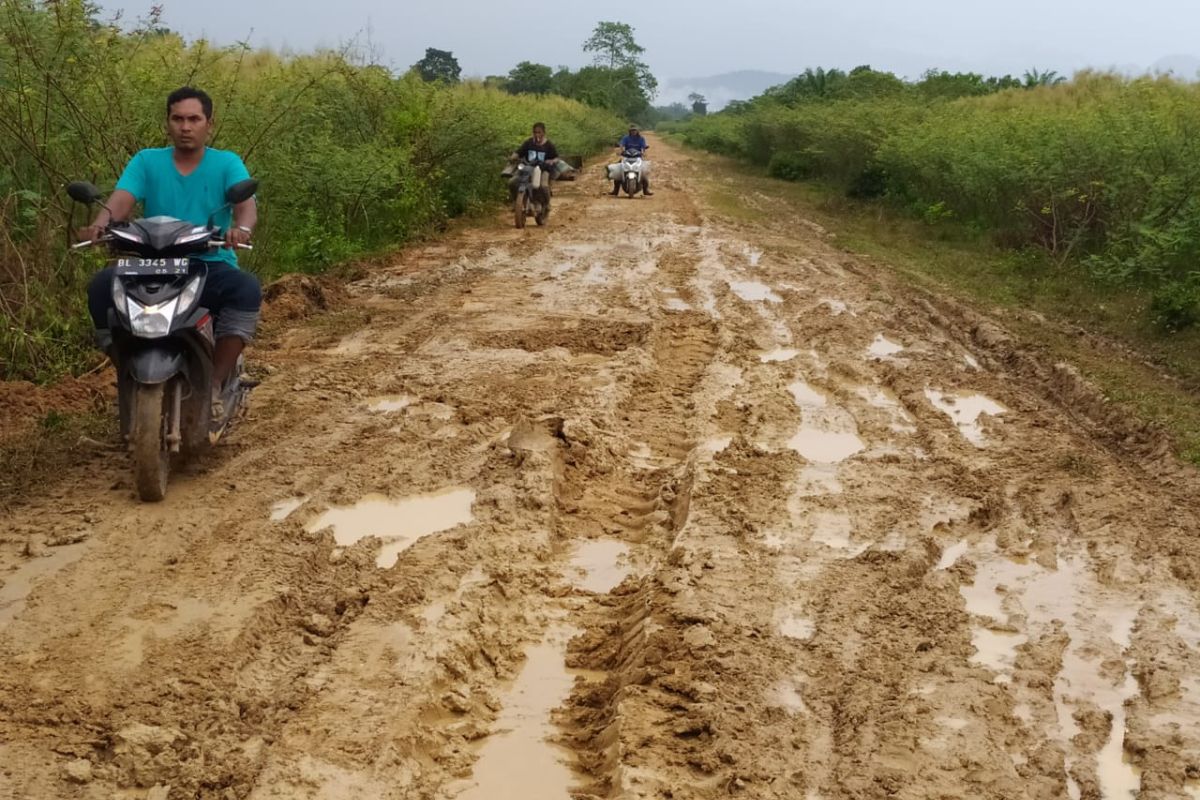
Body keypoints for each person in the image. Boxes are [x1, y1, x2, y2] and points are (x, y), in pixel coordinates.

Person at [80, 86, 260, 419]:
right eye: (178, 119)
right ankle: (128, 368)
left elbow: (245, 207)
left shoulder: (226, 163)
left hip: (209, 264)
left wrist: (241, 229)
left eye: (194, 119)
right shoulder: (147, 160)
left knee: (245, 289)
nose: (185, 126)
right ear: (167, 123)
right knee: (101, 287)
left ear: (209, 123)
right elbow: (121, 200)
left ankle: (216, 385)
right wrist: (101, 224)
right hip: (153, 264)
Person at [509, 122, 559, 203]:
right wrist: (514, 156)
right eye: (535, 132)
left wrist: (552, 161)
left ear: (544, 133)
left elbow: (556, 157)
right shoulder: (528, 143)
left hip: (542, 169)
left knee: (544, 187)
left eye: (539, 132)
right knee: (512, 182)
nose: (537, 134)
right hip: (527, 167)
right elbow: (519, 152)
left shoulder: (548, 145)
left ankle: (546, 205)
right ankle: (516, 202)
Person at [611, 124, 653, 196]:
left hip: (638, 157)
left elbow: (643, 147)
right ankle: (615, 190)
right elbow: (622, 145)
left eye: (635, 130)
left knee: (644, 173)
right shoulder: (626, 138)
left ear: (637, 131)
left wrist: (643, 152)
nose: (633, 131)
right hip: (627, 156)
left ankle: (645, 190)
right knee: (618, 170)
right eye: (632, 130)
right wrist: (621, 150)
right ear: (629, 131)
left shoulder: (641, 138)